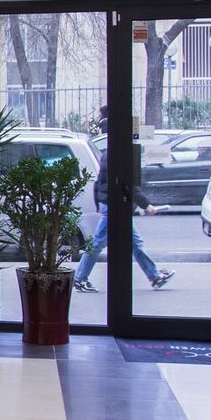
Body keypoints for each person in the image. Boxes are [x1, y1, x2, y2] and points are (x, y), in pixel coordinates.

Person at [75, 108, 174, 291]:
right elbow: (128, 185)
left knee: (134, 243)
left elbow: (100, 182)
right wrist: (147, 205)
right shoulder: (122, 151)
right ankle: (80, 278)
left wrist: (100, 204)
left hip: (110, 204)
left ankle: (154, 276)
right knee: (97, 243)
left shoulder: (111, 149)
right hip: (115, 206)